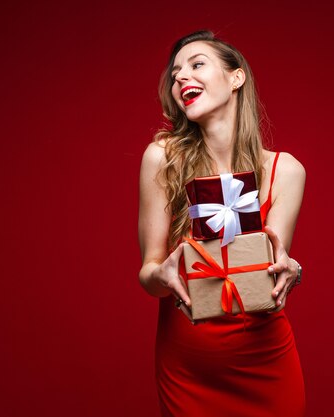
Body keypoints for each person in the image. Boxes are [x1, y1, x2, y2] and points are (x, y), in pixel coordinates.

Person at [138, 30, 307, 417]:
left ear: (236, 78)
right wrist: (160, 274)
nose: (181, 77)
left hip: (266, 364)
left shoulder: (285, 170)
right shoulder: (162, 158)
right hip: (188, 370)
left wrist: (292, 269)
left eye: (197, 64)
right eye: (176, 72)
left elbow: (272, 266)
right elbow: (148, 275)